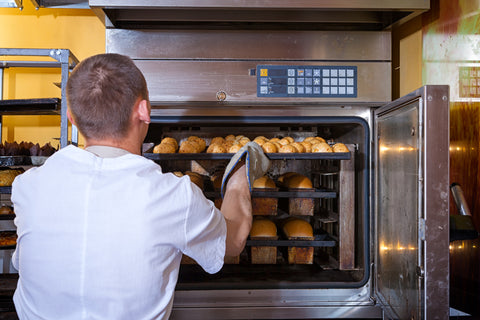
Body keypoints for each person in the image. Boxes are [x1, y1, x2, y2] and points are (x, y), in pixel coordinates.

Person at [11, 53, 267, 319]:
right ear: (144, 111)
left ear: (71, 119)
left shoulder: (28, 187)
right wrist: (239, 175)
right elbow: (234, 241)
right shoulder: (174, 196)